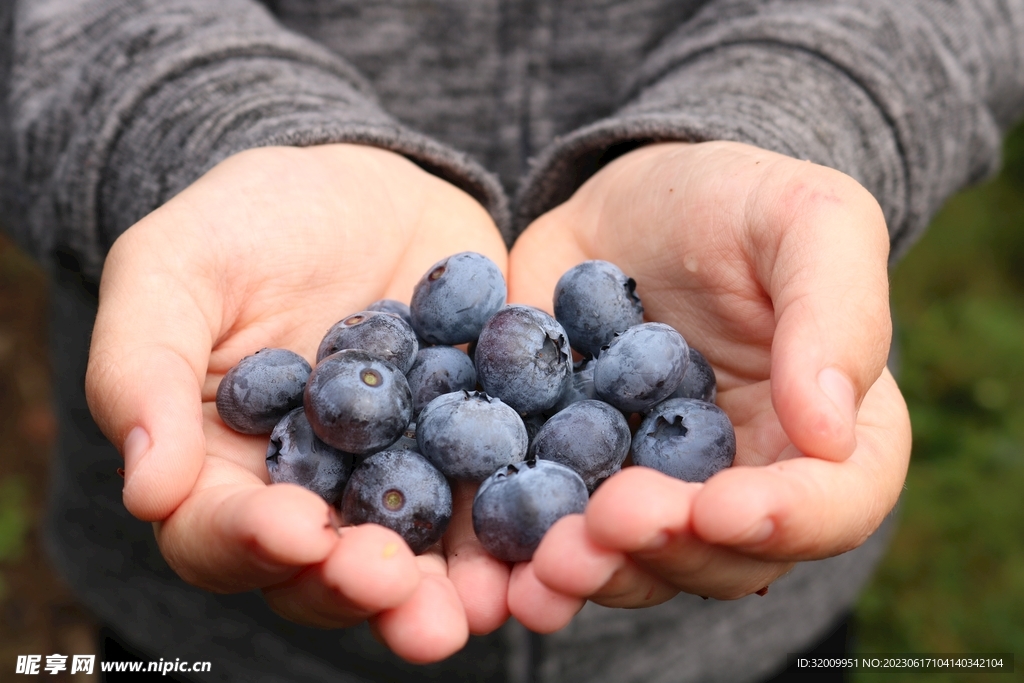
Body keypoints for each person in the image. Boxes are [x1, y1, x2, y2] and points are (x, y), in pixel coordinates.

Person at [1, 0, 1022, 680]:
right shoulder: (390, 390)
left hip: (731, 627)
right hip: (213, 633)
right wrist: (194, 130)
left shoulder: (574, 379)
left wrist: (787, 120)